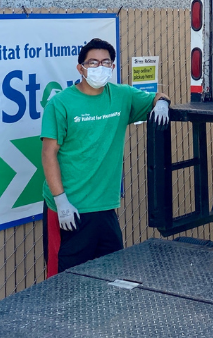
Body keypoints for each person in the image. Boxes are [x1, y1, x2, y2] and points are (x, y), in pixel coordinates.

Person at [41, 37, 170, 275]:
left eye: (105, 62)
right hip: (70, 209)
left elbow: (156, 97)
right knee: (64, 282)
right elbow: (49, 154)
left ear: (112, 67)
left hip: (105, 208)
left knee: (109, 275)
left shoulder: (122, 96)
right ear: (80, 68)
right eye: (92, 63)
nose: (99, 67)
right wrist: (61, 202)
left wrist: (162, 104)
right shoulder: (60, 104)